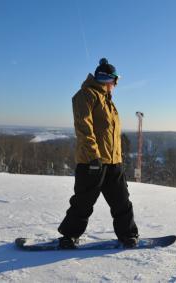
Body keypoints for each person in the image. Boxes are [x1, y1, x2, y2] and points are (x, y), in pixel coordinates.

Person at [58, 58, 139, 249]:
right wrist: (94, 156)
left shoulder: (107, 100)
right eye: (115, 81)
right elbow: (84, 128)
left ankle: (128, 235)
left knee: (121, 200)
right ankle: (69, 236)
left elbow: (110, 134)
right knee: (83, 202)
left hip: (113, 162)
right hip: (92, 161)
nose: (115, 85)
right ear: (109, 80)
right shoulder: (86, 95)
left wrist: (117, 158)